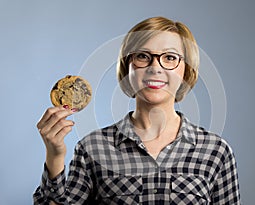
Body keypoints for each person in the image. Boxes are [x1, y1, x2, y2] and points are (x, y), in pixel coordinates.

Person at [34, 16, 241, 204]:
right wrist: (55, 156)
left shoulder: (216, 152)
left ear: (186, 70)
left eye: (170, 57)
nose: (155, 67)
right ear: (128, 67)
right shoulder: (92, 148)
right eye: (143, 56)